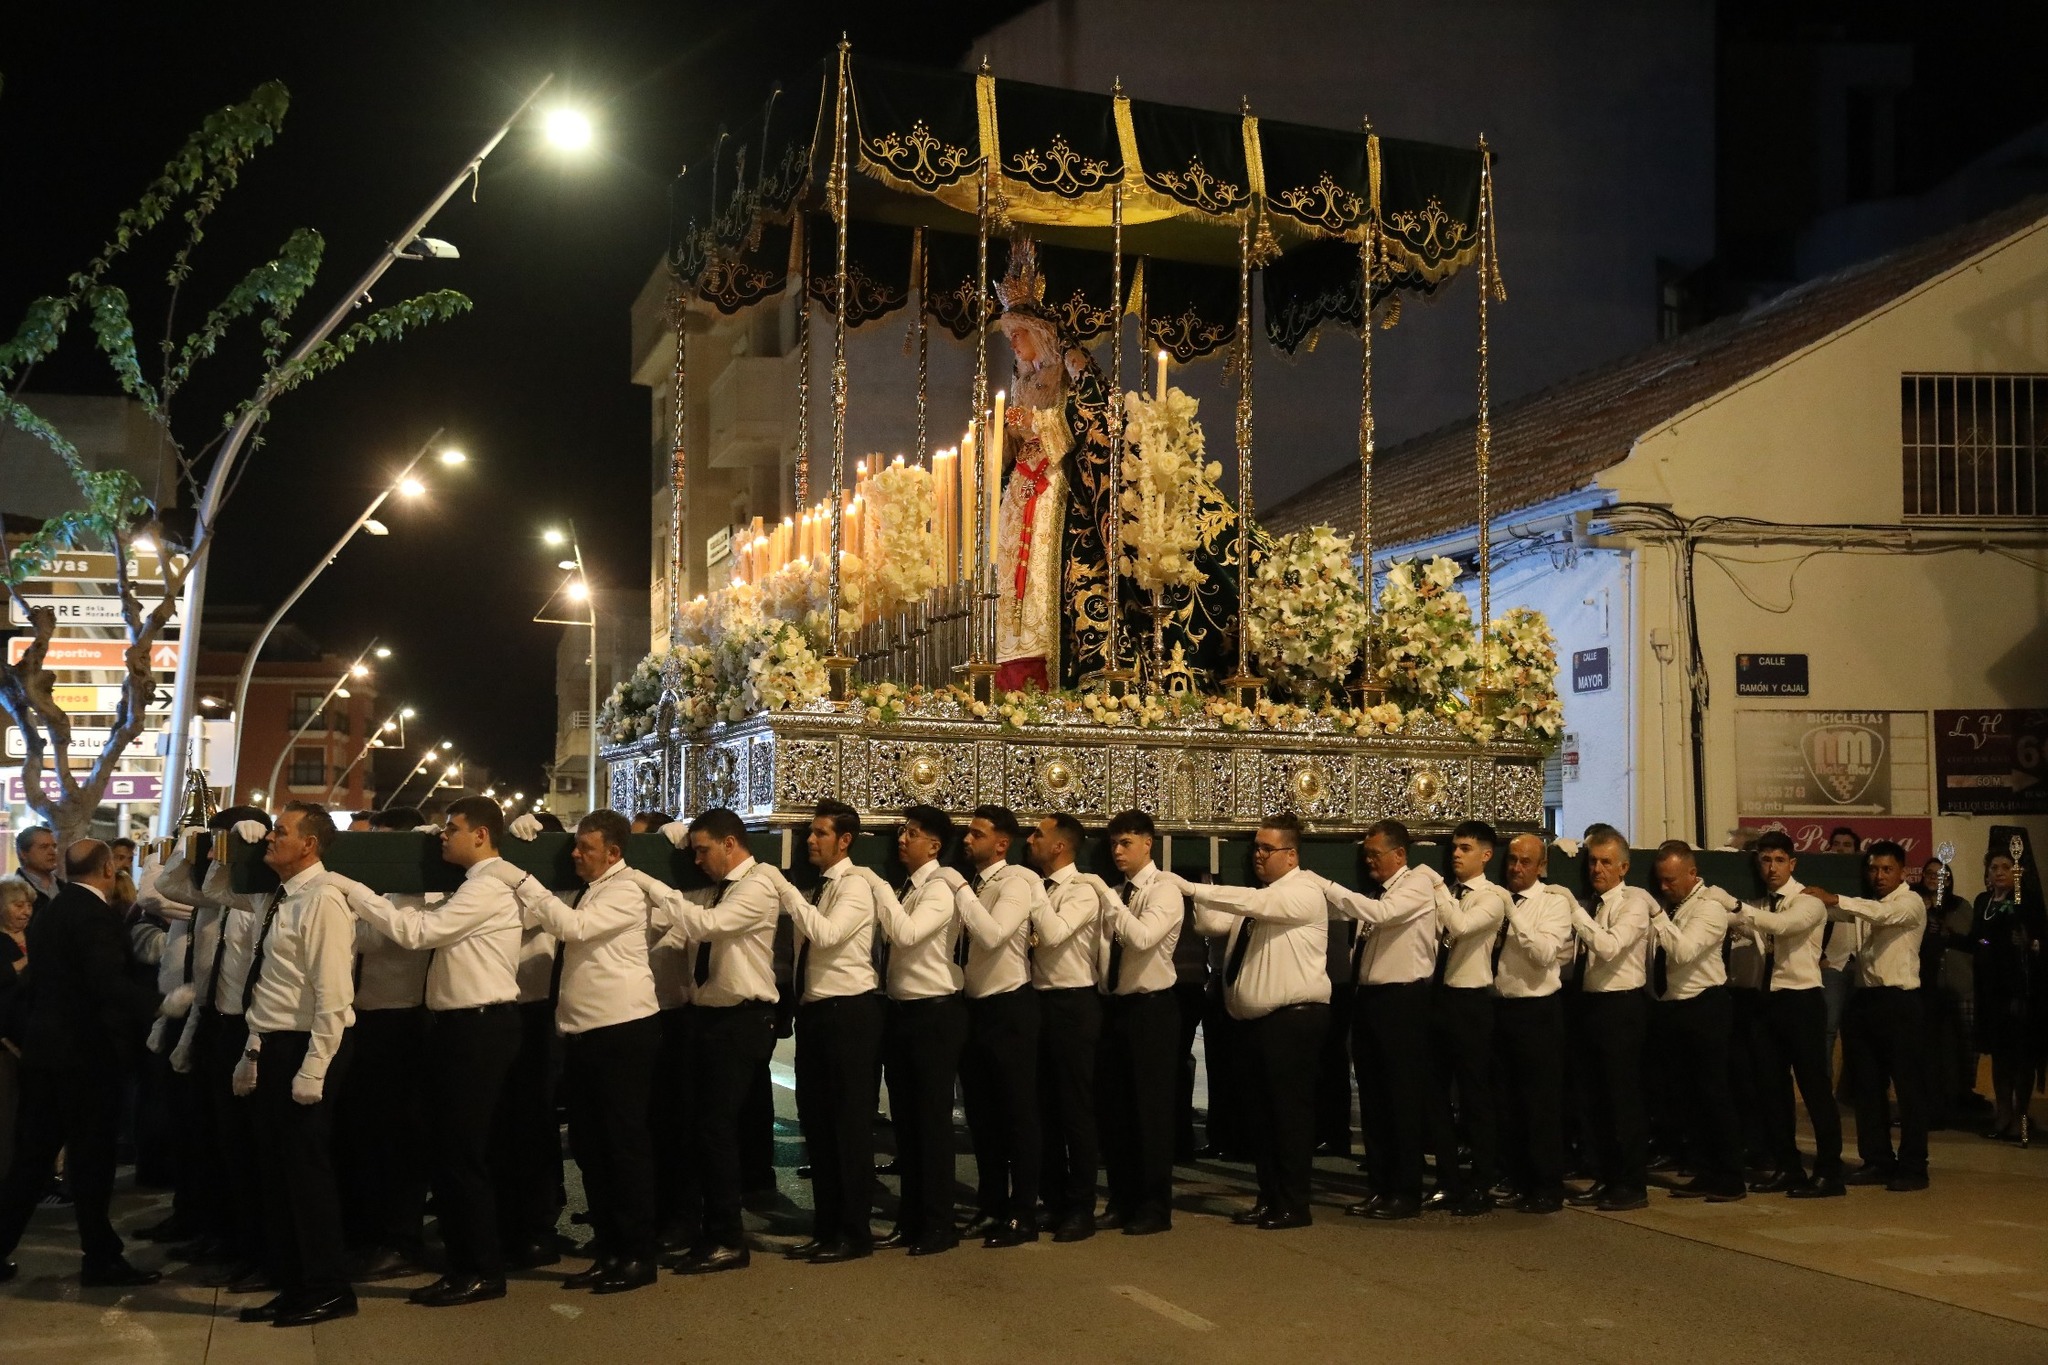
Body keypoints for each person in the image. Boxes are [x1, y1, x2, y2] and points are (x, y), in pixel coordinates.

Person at [338, 796, 526, 1306]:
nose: (445, 835)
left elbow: (415, 931)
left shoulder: (486, 889)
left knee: (461, 1154)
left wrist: (352, 888)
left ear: (482, 836)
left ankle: (481, 1269)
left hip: (480, 1027)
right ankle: (466, 1263)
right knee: (448, 1151)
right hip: (460, 1027)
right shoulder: (472, 888)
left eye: (453, 828)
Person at [502, 809, 666, 1293]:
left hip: (623, 1031)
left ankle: (637, 1254)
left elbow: (574, 928)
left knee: (623, 1146)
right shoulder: (594, 887)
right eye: (574, 845)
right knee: (593, 1149)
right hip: (586, 1034)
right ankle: (609, 1247)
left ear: (613, 853)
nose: (575, 854)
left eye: (585, 848)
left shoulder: (626, 888)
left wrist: (524, 880)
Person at [0, 840, 161, 1287]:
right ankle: (101, 1259)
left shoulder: (53, 910)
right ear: (109, 868)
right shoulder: (93, 915)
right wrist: (162, 1006)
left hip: (47, 1053)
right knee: (91, 1161)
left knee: (32, 1159)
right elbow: (106, 982)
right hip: (86, 1058)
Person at [1164, 813, 1329, 1230]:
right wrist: (1203, 881)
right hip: (1256, 1023)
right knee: (1261, 1117)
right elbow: (1210, 922)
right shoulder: (1259, 898)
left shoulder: (1302, 891)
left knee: (1287, 1117)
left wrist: (1190, 886)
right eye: (1254, 847)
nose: (1257, 854)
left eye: (1266, 848)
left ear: (1291, 856)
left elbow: (1250, 904)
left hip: (1291, 1021)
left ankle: (1293, 1203)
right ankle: (1270, 1197)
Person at [645, 807, 784, 1275]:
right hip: (710, 1019)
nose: (698, 859)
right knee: (702, 1128)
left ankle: (728, 1237)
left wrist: (656, 888)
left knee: (718, 1129)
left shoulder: (758, 884)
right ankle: (704, 1227)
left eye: (704, 849)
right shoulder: (717, 888)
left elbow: (707, 927)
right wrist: (672, 835)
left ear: (730, 844)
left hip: (742, 1020)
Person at [236, 803, 359, 1328]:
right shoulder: (284, 896)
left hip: (308, 1046)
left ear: (308, 844)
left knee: (306, 1175)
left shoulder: (325, 900)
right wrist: (251, 1051)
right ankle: (292, 1283)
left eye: (280, 832)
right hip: (273, 1044)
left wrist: (313, 1069)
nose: (269, 838)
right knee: (277, 1175)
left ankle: (329, 1287)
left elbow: (333, 996)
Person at [157, 807, 274, 1292]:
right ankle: (219, 1233)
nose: (217, 853)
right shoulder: (216, 897)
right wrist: (191, 847)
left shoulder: (259, 897)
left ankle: (249, 1245)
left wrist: (247, 851)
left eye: (227, 844)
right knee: (211, 1139)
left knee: (244, 1147)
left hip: (246, 1028)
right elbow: (167, 887)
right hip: (213, 1024)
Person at [1302, 819, 1441, 1221]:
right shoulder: (1376, 891)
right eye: (1366, 856)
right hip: (1371, 999)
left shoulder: (1415, 884)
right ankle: (1381, 1186)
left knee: (1401, 1099)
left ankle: (1406, 1190)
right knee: (1375, 1096)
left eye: (1376, 854)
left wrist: (1326, 885)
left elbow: (1382, 915)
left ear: (1400, 854)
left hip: (1403, 1000)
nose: (1370, 862)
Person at [775, 801, 889, 1263]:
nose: (811, 840)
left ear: (845, 840)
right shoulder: (822, 886)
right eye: (810, 833)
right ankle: (826, 1226)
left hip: (850, 1014)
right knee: (817, 1124)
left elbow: (826, 935)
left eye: (821, 833)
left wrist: (786, 892)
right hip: (818, 1015)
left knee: (848, 1126)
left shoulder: (856, 885)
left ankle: (853, 1231)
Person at [334, 807, 434, 1281]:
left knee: (397, 1138)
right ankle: (368, 1232)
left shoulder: (418, 892)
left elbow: (375, 939)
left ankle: (401, 1239)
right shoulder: (374, 893)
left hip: (401, 1022)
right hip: (361, 1021)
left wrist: (353, 896)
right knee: (364, 1135)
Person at [873, 806, 972, 1256]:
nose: (902, 840)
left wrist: (876, 887)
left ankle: (938, 1222)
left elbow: (908, 934)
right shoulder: (909, 887)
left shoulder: (938, 890)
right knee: (907, 1124)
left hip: (934, 1014)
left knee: (931, 1124)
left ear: (933, 845)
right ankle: (912, 1218)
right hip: (903, 1012)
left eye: (911, 833)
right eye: (901, 832)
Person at [953, 805, 1047, 1248]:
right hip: (974, 1009)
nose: (967, 840)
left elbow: (992, 935)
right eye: (968, 833)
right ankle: (990, 1205)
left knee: (1017, 1114)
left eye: (977, 834)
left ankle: (1023, 1212)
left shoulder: (1016, 883)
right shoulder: (973, 883)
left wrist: (961, 894)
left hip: (1009, 1007)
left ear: (1001, 844)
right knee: (982, 1115)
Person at [1812, 841, 1930, 1190]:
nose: (1878, 876)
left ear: (1901, 871)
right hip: (1865, 1001)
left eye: (1886, 869)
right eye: (1873, 869)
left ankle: (1913, 1167)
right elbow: (1835, 913)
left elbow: (1878, 915)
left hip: (1900, 1001)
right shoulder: (1868, 904)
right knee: (1867, 1085)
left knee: (1909, 1090)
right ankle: (1877, 1160)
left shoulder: (1910, 902)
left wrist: (1834, 898)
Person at [1734, 831, 1844, 1197]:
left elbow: (1784, 927)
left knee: (1814, 1088)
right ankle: (1787, 1165)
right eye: (1765, 860)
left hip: (1802, 999)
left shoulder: (1808, 900)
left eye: (1779, 860)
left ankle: (1830, 1172)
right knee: (1772, 1088)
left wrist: (1737, 910)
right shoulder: (1761, 903)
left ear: (1792, 863)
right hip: (1766, 1001)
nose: (1771, 868)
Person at [1096, 809, 1183, 1237]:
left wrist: (1109, 901)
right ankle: (1122, 1198)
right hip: (1117, 1009)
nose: (1117, 851)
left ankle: (1154, 1206)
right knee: (1116, 1111)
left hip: (1152, 1008)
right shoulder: (1119, 892)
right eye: (1113, 843)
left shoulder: (1162, 890)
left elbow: (1143, 939)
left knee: (1150, 1112)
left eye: (1125, 843)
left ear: (1148, 844)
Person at [1644, 843, 1744, 1201]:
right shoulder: (1677, 907)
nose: (1664, 887)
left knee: (1714, 1093)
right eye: (1660, 881)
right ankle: (1704, 1169)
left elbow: (1684, 952)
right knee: (1687, 1097)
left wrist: (1656, 917)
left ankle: (1731, 1177)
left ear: (1692, 873)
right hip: (1674, 1009)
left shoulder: (1709, 911)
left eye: (1670, 880)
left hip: (1705, 1007)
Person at [1026, 812, 1106, 1242]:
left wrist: (1030, 892)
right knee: (1045, 1109)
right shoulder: (1040, 888)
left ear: (1059, 846)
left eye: (1039, 834)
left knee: (1075, 1109)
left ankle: (1081, 1206)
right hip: (1039, 1002)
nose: (1031, 839)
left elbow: (1053, 935)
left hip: (1073, 1003)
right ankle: (1052, 1199)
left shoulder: (1083, 891)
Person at [1423, 821, 1509, 1216]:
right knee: (1435, 1095)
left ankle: (1482, 1180)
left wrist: (1437, 888)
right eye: (1454, 847)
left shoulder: (1492, 897)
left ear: (1486, 855)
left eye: (1466, 848)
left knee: (1475, 1096)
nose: (1456, 854)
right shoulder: (1451, 893)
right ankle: (1446, 1178)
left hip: (1471, 1003)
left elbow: (1458, 927)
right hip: (1439, 998)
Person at [1566, 830, 1653, 1211]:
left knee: (1622, 1099)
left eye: (1605, 862)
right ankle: (1606, 1176)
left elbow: (1609, 946)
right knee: (1594, 1099)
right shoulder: (1597, 905)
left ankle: (1632, 1184)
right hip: (1592, 1006)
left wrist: (1572, 911)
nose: (1596, 869)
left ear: (1624, 867)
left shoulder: (1632, 902)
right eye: (1592, 862)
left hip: (1622, 1007)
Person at [1489, 835, 1574, 1213]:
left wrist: (1513, 912)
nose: (1516, 868)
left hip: (1537, 1010)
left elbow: (1542, 955)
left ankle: (1546, 1185)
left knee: (1539, 1104)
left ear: (1541, 867)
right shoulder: (1498, 899)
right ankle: (1516, 1177)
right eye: (1512, 861)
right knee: (1506, 1102)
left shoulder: (1552, 904)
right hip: (1500, 1008)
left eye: (1525, 862)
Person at [1970, 848, 2044, 1146]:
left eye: (2005, 867)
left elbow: (2038, 938)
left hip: (2019, 990)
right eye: (1994, 867)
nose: (1999, 872)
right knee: (2000, 1056)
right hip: (1990, 990)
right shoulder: (1982, 902)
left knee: (2021, 1057)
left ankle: (2021, 1118)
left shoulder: (2027, 901)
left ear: (2018, 872)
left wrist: (2030, 943)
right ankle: (2002, 1114)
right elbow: (1978, 937)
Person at [1918, 858, 1978, 1128]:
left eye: (1940, 875)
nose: (1934, 878)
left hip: (1960, 984)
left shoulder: (1960, 905)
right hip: (1925, 987)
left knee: (1966, 1043)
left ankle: (1964, 1093)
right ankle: (1930, 1100)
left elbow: (1971, 937)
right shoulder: (1913, 902)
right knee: (1929, 1047)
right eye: (1929, 874)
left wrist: (1946, 929)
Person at [0, 878, 31, 1179]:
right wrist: (20, 966)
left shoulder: (31, 938)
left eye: (29, 905)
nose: (26, 912)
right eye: (18, 905)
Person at [14, 827, 59, 917]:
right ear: (23, 853)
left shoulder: (64, 888)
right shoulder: (10, 891)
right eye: (44, 847)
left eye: (54, 846)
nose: (52, 852)